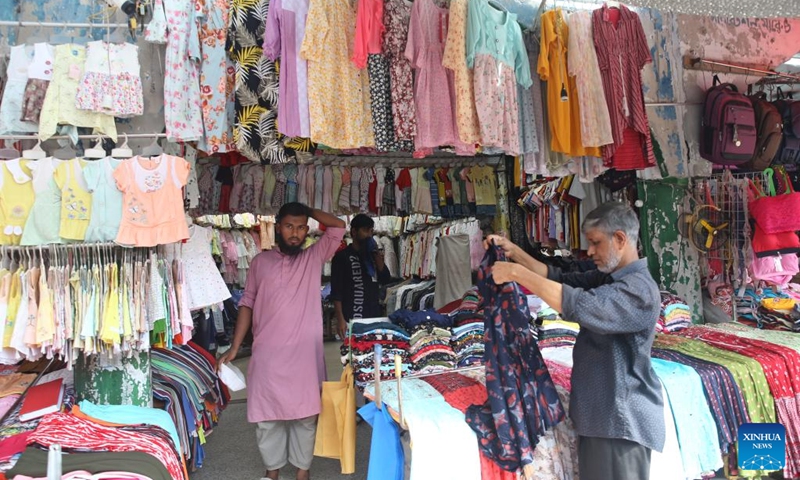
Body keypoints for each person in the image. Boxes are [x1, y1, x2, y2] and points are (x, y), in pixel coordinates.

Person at [487, 201, 665, 480]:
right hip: (603, 417)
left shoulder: (638, 291)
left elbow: (577, 304)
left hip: (619, 419)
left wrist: (515, 274)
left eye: (595, 242)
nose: (590, 251)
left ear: (620, 239)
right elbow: (559, 278)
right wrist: (515, 253)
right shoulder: (610, 278)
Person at [217, 202, 346, 480]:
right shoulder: (260, 262)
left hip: (305, 356)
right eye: (289, 226)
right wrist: (236, 346)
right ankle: (272, 471)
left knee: (306, 416)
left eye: (301, 228)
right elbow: (247, 303)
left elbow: (337, 227)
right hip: (268, 354)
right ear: (278, 227)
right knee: (267, 417)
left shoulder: (313, 257)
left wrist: (307, 211)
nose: (295, 233)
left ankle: (302, 471)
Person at [331, 214, 392, 339]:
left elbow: (386, 279)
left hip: (373, 317)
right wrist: (340, 319)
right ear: (354, 231)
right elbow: (336, 292)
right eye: (365, 230)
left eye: (371, 231)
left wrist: (376, 255)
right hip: (352, 318)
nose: (369, 235)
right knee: (353, 355)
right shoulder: (342, 257)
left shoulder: (372, 256)